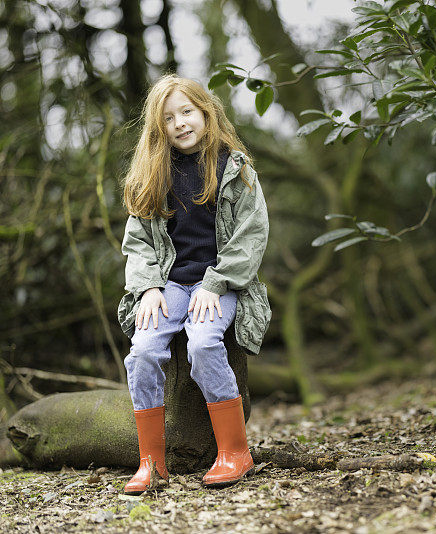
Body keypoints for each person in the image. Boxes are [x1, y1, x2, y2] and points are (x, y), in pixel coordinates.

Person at [116, 74, 270, 495]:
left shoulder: (234, 168)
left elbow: (250, 237)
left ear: (206, 112)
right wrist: (147, 287)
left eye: (188, 112)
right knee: (143, 352)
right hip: (169, 285)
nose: (181, 123)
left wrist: (216, 283)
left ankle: (235, 452)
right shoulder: (154, 173)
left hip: (221, 285)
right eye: (169, 118)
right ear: (158, 127)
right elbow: (139, 242)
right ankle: (152, 463)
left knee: (203, 343)